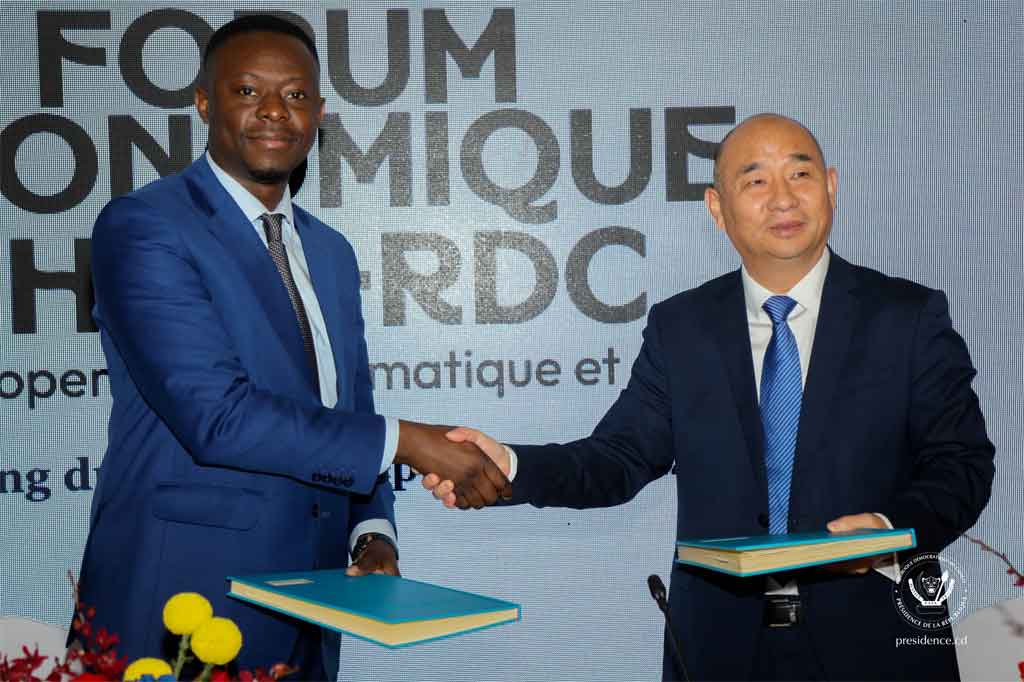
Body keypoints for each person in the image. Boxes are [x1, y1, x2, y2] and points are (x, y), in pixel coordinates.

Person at [428, 113, 995, 680]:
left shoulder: (906, 317)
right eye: (756, 180)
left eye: (800, 174)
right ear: (717, 208)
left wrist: (889, 529)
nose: (782, 198)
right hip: (719, 649)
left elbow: (961, 464)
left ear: (831, 186)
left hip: (877, 644)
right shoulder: (681, 328)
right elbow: (617, 459)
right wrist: (510, 466)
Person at [76, 14, 509, 679]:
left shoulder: (329, 253)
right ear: (204, 102)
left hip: (313, 608)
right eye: (248, 91)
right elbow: (216, 417)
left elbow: (348, 411)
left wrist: (370, 533)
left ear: (319, 114)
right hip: (181, 602)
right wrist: (408, 442)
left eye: (297, 94)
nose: (275, 111)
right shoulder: (145, 226)